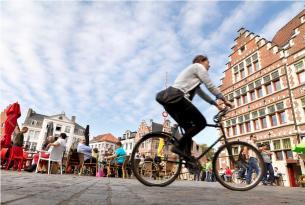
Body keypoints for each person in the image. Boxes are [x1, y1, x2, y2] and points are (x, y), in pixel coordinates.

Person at [156, 55, 233, 158]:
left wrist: (216, 105)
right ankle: (178, 147)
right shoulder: (198, 67)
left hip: (170, 100)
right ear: (201, 61)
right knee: (201, 122)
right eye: (208, 62)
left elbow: (203, 95)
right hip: (177, 98)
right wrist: (224, 100)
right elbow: (210, 86)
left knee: (189, 129)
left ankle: (187, 158)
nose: (209, 65)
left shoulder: (193, 80)